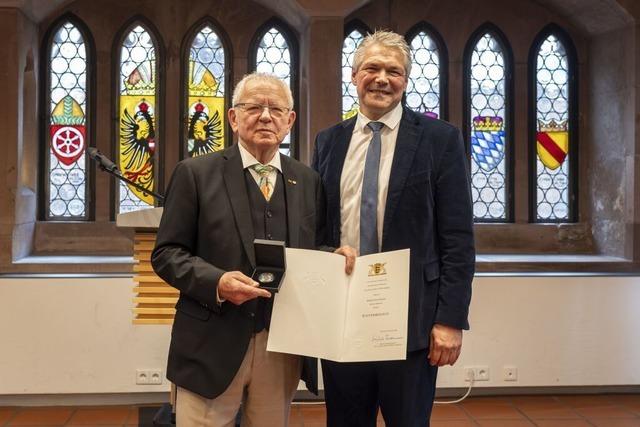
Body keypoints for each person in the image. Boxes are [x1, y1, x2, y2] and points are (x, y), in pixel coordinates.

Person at [152, 72, 353, 427]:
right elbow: (167, 253)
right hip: (210, 343)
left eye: (276, 109)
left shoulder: (308, 180)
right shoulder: (195, 174)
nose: (265, 116)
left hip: (282, 344)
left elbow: (314, 245)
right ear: (233, 117)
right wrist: (217, 282)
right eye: (254, 107)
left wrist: (332, 258)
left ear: (289, 121)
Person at [312, 30, 475, 426]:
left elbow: (457, 237)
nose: (382, 78)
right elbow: (316, 227)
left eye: (394, 71)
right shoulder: (328, 142)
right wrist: (324, 254)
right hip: (344, 311)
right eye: (372, 68)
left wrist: (450, 320)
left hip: (412, 319)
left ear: (405, 80)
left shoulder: (440, 140)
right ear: (354, 76)